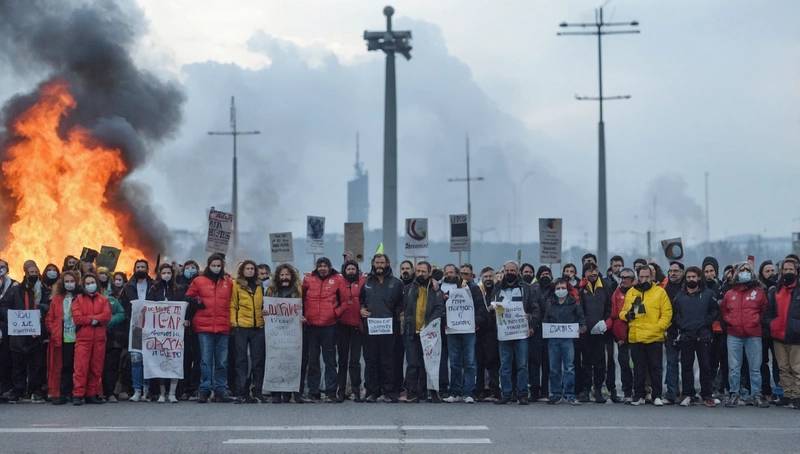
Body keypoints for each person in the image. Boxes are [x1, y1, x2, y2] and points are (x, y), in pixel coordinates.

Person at [619, 265, 672, 406]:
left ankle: (657, 396)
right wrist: (628, 315)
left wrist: (658, 328)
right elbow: (622, 312)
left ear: (652, 276)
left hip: (654, 337)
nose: (644, 279)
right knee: (638, 368)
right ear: (637, 277)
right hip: (636, 337)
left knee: (656, 368)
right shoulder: (632, 292)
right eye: (641, 277)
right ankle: (639, 395)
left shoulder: (660, 292)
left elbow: (667, 314)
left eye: (647, 276)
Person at [185, 253, 235, 403]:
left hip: (223, 326)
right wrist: (197, 302)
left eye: (218, 265)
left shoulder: (228, 282)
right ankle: (204, 389)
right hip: (204, 327)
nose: (216, 268)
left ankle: (221, 389)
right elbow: (189, 297)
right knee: (206, 361)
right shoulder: (199, 281)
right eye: (213, 265)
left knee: (222, 361)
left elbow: (234, 300)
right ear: (208, 265)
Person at [490, 261, 540, 405]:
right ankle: (506, 394)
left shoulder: (526, 288)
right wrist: (493, 309)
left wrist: (530, 322)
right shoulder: (498, 287)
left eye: (513, 270)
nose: (510, 272)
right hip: (504, 332)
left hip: (521, 332)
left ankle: (522, 394)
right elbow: (492, 305)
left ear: (518, 272)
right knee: (505, 365)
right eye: (508, 270)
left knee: (522, 365)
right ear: (504, 271)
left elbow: (535, 309)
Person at [0, 260, 50, 403]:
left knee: (36, 364)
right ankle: (18, 390)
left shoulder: (44, 289)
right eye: (30, 272)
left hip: (36, 334)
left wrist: (41, 308)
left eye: (35, 272)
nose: (33, 275)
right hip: (18, 334)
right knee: (18, 364)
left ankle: (34, 390)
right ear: (25, 273)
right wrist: (12, 317)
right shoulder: (15, 290)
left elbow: (50, 306)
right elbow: (3, 307)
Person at [722, 262, 769, 408]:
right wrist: (730, 321)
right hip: (734, 335)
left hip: (753, 334)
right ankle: (734, 393)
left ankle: (756, 394)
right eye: (742, 270)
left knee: (755, 367)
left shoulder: (759, 292)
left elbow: (764, 310)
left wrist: (755, 321)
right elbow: (724, 311)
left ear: (752, 272)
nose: (744, 272)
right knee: (734, 367)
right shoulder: (730, 294)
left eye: (747, 270)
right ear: (736, 273)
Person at [359, 254, 403, 403]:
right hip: (370, 328)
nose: (379, 265)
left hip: (389, 329)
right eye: (377, 262)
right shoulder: (366, 282)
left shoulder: (396, 283)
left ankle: (389, 391)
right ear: (372, 263)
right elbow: (360, 302)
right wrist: (361, 310)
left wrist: (397, 315)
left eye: (382, 262)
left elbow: (401, 304)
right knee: (371, 360)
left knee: (388, 361)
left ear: (387, 263)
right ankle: (372, 391)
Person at [672, 266, 718, 407]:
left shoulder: (708, 294)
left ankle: (707, 395)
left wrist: (704, 323)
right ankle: (688, 394)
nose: (691, 279)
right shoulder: (679, 296)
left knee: (705, 366)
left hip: (703, 336)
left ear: (699, 278)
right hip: (686, 336)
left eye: (694, 277)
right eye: (689, 277)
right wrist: (683, 325)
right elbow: (675, 315)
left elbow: (714, 311)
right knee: (686, 366)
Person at [302, 257, 344, 402]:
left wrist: (335, 314)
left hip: (330, 326)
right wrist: (303, 315)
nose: (322, 268)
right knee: (313, 360)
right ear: (316, 267)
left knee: (330, 361)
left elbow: (345, 300)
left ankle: (331, 390)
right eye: (320, 266)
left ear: (330, 267)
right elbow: (301, 299)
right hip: (311, 326)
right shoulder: (308, 280)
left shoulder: (338, 279)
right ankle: (314, 391)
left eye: (325, 265)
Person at [442, 264, 486, 404]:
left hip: (468, 330)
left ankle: (468, 392)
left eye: (466, 274)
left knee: (469, 362)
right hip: (453, 330)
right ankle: (455, 392)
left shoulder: (475, 289)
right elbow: (442, 308)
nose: (463, 276)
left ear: (471, 275)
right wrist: (445, 320)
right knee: (454, 362)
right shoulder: (449, 290)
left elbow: (481, 310)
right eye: (461, 273)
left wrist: (476, 323)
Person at [402, 261, 444, 403]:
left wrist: (429, 325)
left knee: (430, 363)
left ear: (429, 272)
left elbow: (439, 308)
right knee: (412, 363)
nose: (420, 274)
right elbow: (404, 307)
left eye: (423, 271)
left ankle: (431, 392)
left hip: (429, 332)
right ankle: (412, 392)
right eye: (418, 271)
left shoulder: (435, 288)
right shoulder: (408, 287)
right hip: (412, 331)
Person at [265, 264, 307, 404]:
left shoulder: (299, 291)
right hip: (276, 333)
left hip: (294, 333)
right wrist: (265, 312)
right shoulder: (271, 291)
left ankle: (293, 392)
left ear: (292, 276)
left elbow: (305, 308)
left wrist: (304, 317)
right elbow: (264, 308)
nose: (284, 277)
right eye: (282, 275)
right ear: (277, 276)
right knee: (276, 360)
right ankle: (276, 392)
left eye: (287, 275)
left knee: (294, 360)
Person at [146, 263, 188, 403]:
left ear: (172, 274)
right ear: (160, 274)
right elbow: (149, 307)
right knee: (160, 361)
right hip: (159, 333)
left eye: (168, 272)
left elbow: (184, 306)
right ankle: (162, 393)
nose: (166, 275)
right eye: (163, 273)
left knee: (174, 360)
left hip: (174, 333)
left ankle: (172, 393)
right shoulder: (154, 289)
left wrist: (184, 319)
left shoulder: (179, 289)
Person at [764, 259, 800, 408]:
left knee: (796, 368)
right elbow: (767, 313)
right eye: (785, 269)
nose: (788, 272)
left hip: (796, 336)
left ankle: (797, 396)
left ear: (796, 271)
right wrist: (772, 324)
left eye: (791, 269)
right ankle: (788, 394)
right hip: (779, 336)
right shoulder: (775, 290)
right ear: (781, 271)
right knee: (783, 368)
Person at [71, 273, 111, 405]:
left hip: (99, 339)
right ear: (83, 285)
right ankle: (78, 394)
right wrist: (94, 319)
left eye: (92, 282)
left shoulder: (103, 300)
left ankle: (91, 394)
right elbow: (77, 318)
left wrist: (91, 319)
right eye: (87, 283)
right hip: (83, 339)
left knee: (96, 368)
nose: (90, 285)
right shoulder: (78, 300)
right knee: (81, 368)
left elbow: (107, 316)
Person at [229, 260, 265, 403]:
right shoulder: (236, 285)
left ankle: (257, 390)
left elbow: (264, 304)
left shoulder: (260, 285)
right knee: (241, 360)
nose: (250, 270)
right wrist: (234, 322)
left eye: (252, 268)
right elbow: (233, 304)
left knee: (258, 360)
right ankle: (241, 391)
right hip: (242, 327)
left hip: (258, 327)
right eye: (247, 268)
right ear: (242, 271)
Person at [545, 278, 586, 404]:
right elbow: (545, 319)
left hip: (568, 340)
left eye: (563, 288)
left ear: (567, 289)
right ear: (554, 290)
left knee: (569, 367)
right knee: (554, 368)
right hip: (553, 340)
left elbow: (581, 319)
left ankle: (569, 394)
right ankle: (556, 394)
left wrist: (582, 328)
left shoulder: (574, 302)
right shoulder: (550, 302)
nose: (560, 290)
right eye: (558, 288)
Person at [577, 262, 612, 403]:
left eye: (595, 270)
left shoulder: (605, 287)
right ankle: (585, 390)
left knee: (600, 363)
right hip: (585, 332)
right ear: (584, 273)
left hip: (600, 331)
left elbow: (610, 308)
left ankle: (597, 390)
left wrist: (605, 322)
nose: (593, 273)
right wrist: (583, 324)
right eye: (589, 271)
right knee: (585, 362)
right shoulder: (580, 288)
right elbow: (578, 309)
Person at [120, 259, 153, 401]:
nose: (140, 269)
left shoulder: (154, 286)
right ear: (134, 269)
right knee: (136, 360)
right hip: (135, 328)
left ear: (147, 269)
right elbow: (123, 306)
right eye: (138, 266)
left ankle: (147, 389)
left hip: (152, 326)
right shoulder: (128, 287)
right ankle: (137, 390)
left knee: (149, 359)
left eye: (143, 267)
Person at [45, 271, 79, 405]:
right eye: (67, 281)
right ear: (62, 283)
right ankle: (63, 393)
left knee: (77, 367)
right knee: (63, 366)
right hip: (62, 338)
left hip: (79, 338)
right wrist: (55, 331)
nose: (69, 284)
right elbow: (49, 319)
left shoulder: (81, 297)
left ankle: (76, 392)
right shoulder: (57, 299)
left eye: (72, 281)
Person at [334, 260, 365, 402]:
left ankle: (356, 389)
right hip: (342, 326)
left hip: (358, 327)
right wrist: (340, 310)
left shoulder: (363, 281)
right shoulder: (338, 282)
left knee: (355, 361)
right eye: (349, 268)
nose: (351, 271)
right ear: (344, 270)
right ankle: (340, 390)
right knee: (342, 361)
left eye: (353, 268)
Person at [97, 267, 125, 403]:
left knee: (111, 366)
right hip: (95, 335)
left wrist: (109, 321)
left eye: (105, 274)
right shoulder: (89, 293)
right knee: (96, 365)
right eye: (100, 273)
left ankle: (110, 392)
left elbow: (121, 313)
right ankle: (96, 392)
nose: (103, 276)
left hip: (113, 337)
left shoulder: (115, 295)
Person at [758, 260, 783, 402]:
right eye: (767, 271)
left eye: (772, 270)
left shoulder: (780, 288)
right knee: (762, 362)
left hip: (776, 330)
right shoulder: (758, 289)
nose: (770, 273)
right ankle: (765, 389)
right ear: (761, 273)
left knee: (778, 362)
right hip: (762, 331)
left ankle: (779, 390)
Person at [608, 267, 635, 402]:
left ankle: (640, 391)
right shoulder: (616, 294)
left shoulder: (638, 293)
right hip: (621, 337)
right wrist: (619, 336)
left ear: (632, 280)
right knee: (624, 363)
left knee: (637, 364)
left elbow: (637, 315)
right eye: (621, 277)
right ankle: (627, 392)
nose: (623, 280)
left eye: (626, 278)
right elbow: (614, 316)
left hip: (636, 335)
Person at [176, 260, 201, 400]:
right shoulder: (178, 285)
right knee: (184, 359)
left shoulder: (201, 283)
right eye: (187, 267)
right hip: (181, 327)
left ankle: (194, 387)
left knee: (198, 358)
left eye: (193, 267)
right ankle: (183, 388)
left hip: (197, 325)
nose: (190, 269)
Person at [661, 261, 686, 405]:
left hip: (686, 330)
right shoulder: (664, 289)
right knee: (671, 363)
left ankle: (687, 392)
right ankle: (672, 392)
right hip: (670, 330)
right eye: (670, 271)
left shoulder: (687, 288)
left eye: (676, 271)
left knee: (687, 364)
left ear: (682, 272)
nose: (673, 273)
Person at [529, 266, 554, 402]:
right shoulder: (533, 289)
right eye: (543, 274)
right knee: (534, 362)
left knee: (547, 362)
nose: (546, 276)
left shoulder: (555, 288)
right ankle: (534, 390)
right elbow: (532, 308)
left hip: (550, 329)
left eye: (548, 274)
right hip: (537, 329)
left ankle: (545, 391)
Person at [476, 266, 500, 401]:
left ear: (495, 278)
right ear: (481, 278)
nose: (488, 279)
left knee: (493, 362)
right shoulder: (477, 292)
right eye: (485, 277)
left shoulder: (499, 291)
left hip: (495, 332)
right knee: (479, 363)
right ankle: (480, 390)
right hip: (480, 331)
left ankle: (494, 390)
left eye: (491, 276)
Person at [0, 259, 18, 398]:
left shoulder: (14, 285)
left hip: (6, 327)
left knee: (6, 358)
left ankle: (5, 388)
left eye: (3, 267)